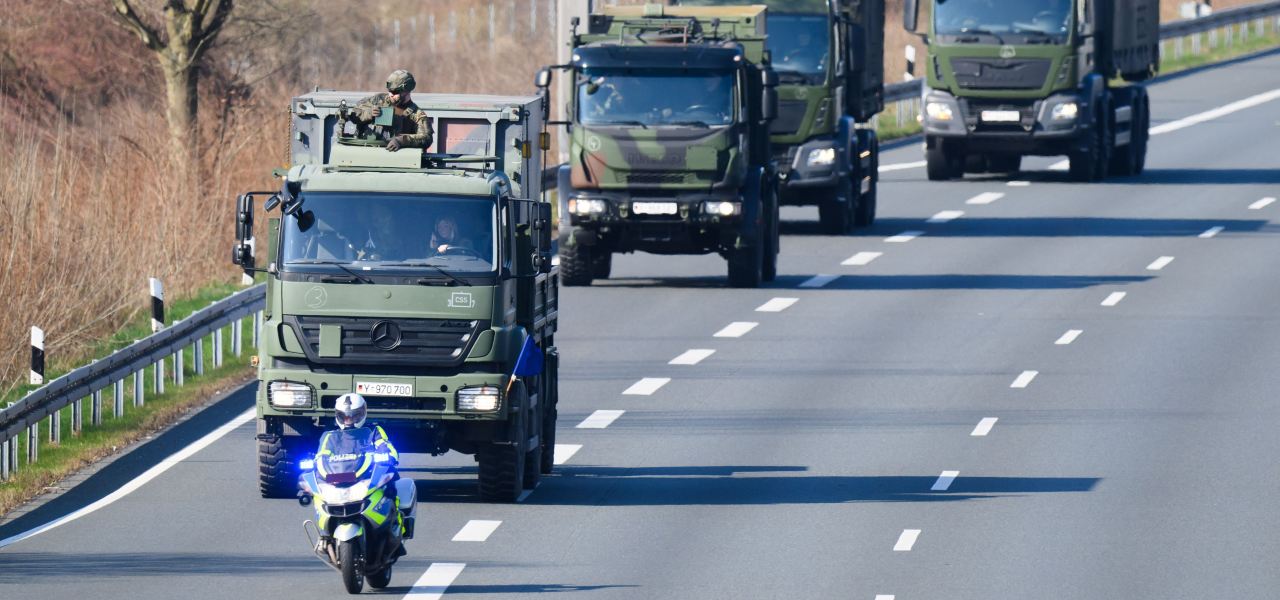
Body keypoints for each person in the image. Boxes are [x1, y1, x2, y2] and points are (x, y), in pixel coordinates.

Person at [319, 394, 404, 537]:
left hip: (365, 475)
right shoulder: (331, 436)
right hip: (338, 477)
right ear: (338, 416)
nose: (349, 420)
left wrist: (388, 455)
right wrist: (315, 463)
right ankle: (324, 533)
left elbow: (385, 445)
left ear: (363, 413)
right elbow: (321, 455)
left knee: (391, 482)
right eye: (344, 416)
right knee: (317, 491)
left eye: (354, 416)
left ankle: (397, 524)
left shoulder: (374, 431)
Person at [350, 69, 435, 152]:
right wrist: (369, 113)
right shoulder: (378, 100)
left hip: (393, 156)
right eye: (389, 91)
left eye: (395, 92)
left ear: (406, 91)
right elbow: (354, 114)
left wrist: (401, 140)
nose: (391, 94)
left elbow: (427, 138)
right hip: (366, 151)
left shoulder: (416, 114)